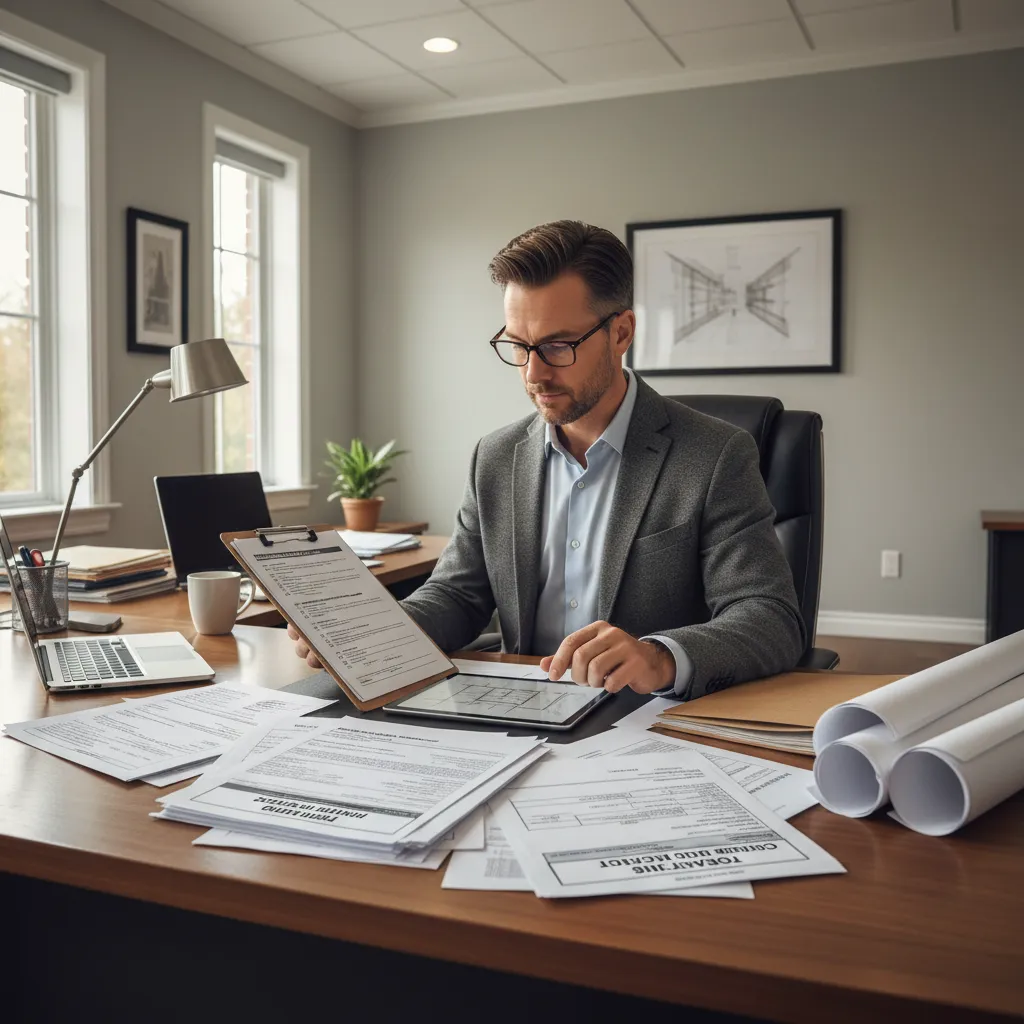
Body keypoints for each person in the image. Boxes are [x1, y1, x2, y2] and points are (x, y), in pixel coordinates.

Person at [290, 220, 805, 700]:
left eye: (558, 346)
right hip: (516, 707)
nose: (534, 373)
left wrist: (659, 657)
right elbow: (457, 594)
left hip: (639, 720)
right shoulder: (493, 457)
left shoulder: (715, 455)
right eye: (518, 345)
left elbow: (770, 618)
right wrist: (378, 629)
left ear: (621, 333)